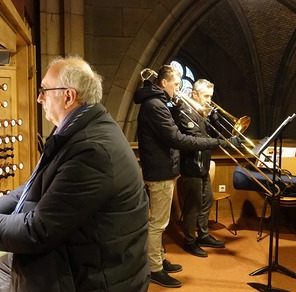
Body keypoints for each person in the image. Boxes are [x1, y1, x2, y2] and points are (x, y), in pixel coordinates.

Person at [0, 56, 150, 292]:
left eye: (44, 91)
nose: (39, 98)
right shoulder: (79, 130)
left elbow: (38, 231)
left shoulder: (93, 150)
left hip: (95, 279)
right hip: (78, 259)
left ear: (68, 96)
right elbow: (32, 188)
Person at [134, 65, 233, 288]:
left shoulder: (158, 103)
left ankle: (158, 259)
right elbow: (178, 139)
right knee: (158, 224)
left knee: (160, 221)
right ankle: (155, 268)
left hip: (163, 170)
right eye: (176, 84)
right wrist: (218, 143)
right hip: (160, 172)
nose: (178, 89)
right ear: (163, 83)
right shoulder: (155, 105)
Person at [173, 79, 230, 258]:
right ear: (195, 94)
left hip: (202, 166)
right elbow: (196, 139)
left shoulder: (201, 113)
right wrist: (221, 142)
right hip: (191, 167)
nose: (209, 100)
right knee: (193, 207)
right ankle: (189, 241)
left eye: (211, 96)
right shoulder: (185, 112)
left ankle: (203, 234)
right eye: (206, 96)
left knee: (208, 200)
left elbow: (211, 135)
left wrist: (215, 120)